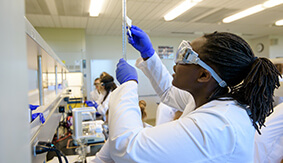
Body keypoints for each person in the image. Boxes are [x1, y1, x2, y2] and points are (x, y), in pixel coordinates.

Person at [103, 25, 280, 163]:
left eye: (185, 56)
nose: (176, 63)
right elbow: (168, 92)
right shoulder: (210, 100)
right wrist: (148, 55)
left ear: (204, 75)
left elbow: (127, 150)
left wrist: (128, 85)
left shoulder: (218, 123)